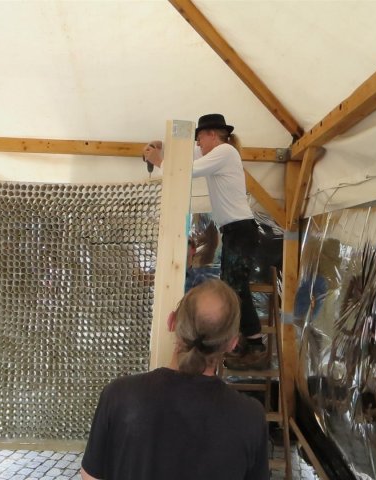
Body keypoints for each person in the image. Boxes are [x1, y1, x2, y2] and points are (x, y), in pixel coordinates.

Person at [80, 279, 269, 480]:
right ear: (232, 343)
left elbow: (90, 475)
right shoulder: (251, 417)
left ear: (172, 322)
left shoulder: (119, 395)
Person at [143, 114, 266, 369]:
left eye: (199, 138)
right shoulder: (216, 153)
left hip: (240, 231)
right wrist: (165, 150)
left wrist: (158, 161)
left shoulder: (225, 152)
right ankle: (247, 342)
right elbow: (185, 160)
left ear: (212, 134)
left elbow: (186, 172)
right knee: (233, 287)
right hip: (235, 231)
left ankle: (254, 345)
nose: (198, 144)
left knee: (236, 288)